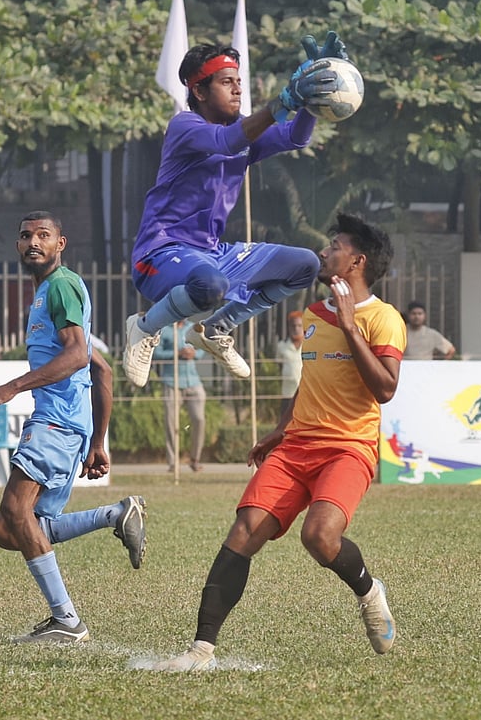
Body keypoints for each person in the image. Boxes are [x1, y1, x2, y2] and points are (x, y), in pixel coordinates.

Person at [154, 213, 405, 672]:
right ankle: (200, 651)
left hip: (348, 447)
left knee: (320, 536)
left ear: (357, 262)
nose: (324, 252)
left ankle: (369, 591)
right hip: (296, 446)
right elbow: (310, 381)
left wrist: (352, 327)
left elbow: (385, 388)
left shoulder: (383, 319)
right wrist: (280, 428)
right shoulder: (313, 313)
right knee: (244, 532)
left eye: (335, 246)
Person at [121, 33, 351, 388]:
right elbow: (226, 142)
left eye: (239, 82)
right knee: (211, 284)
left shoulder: (241, 132)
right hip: (161, 253)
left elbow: (295, 138)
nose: (237, 90)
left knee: (306, 265)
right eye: (227, 82)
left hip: (212, 254)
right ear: (199, 91)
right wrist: (283, 100)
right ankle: (144, 327)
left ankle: (217, 328)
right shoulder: (185, 126)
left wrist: (310, 102)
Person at [0, 211, 147, 644]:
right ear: (17, 245)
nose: (33, 242)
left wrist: (11, 387)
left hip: (55, 421)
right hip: (68, 426)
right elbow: (102, 370)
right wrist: (97, 442)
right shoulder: (48, 293)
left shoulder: (62, 286)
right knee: (9, 529)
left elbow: (75, 356)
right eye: (25, 236)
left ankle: (66, 620)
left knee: (17, 515)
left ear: (61, 244)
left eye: (43, 236)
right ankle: (114, 514)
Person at [153, 321, 206, 473]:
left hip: (193, 381)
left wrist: (193, 353)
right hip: (171, 381)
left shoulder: (193, 328)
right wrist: (177, 353)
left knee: (199, 419)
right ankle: (173, 462)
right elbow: (157, 352)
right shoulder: (164, 329)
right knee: (171, 423)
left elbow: (202, 348)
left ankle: (195, 459)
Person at [274, 310, 305, 413]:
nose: (296, 329)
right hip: (288, 393)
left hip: (306, 394)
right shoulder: (282, 346)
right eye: (293, 326)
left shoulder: (309, 345)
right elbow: (279, 366)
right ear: (289, 327)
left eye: (299, 326)